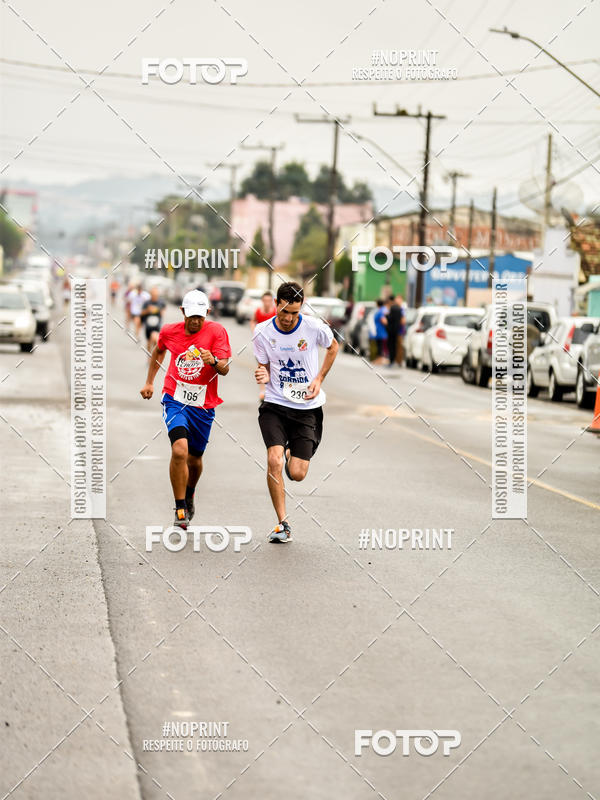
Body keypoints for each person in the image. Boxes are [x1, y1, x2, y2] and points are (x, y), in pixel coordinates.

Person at [253, 281, 339, 543]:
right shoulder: (262, 331)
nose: (289, 318)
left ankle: (292, 452)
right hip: (275, 405)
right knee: (274, 460)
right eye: (285, 311)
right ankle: (282, 523)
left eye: (295, 312)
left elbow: (333, 347)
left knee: (298, 473)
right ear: (276, 304)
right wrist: (262, 374)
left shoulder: (313, 327)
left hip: (307, 408)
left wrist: (320, 378)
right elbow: (264, 366)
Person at [140, 289, 231, 529]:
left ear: (207, 314)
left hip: (203, 404)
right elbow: (159, 350)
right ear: (182, 312)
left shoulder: (217, 332)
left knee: (195, 459)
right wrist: (150, 381)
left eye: (200, 316)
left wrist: (213, 360)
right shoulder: (169, 331)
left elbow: (225, 368)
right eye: (191, 315)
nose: (195, 321)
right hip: (175, 397)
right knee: (180, 451)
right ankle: (180, 507)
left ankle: (189, 493)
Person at [141, 285, 166, 349]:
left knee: (155, 340)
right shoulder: (147, 302)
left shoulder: (161, 302)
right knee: (149, 342)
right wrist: (148, 310)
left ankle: (153, 356)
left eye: (156, 295)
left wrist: (158, 310)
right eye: (153, 295)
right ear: (150, 294)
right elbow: (141, 313)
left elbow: (163, 311)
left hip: (156, 325)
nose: (155, 296)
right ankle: (149, 357)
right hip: (148, 326)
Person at [386, 294, 405, 367]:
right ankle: (396, 361)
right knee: (395, 346)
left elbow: (403, 321)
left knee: (397, 346)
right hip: (397, 330)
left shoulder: (399, 309)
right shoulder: (399, 308)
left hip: (398, 330)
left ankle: (397, 362)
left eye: (399, 299)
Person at [373, 299, 388, 364]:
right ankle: (379, 358)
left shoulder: (381, 311)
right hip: (379, 331)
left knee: (380, 346)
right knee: (379, 345)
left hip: (382, 332)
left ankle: (380, 359)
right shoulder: (381, 310)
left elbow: (384, 321)